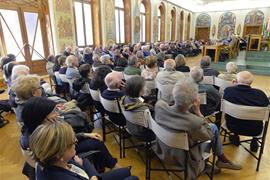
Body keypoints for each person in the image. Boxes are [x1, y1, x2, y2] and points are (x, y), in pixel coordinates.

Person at [154, 78, 241, 179]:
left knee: (208, 129)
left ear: (174, 94)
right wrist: (198, 112)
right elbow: (210, 136)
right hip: (185, 156)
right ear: (194, 101)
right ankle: (220, 159)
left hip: (163, 149)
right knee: (213, 128)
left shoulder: (159, 106)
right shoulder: (195, 122)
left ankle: (220, 159)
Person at [20, 96, 121, 173]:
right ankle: (112, 166)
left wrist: (85, 135)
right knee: (96, 143)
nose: (57, 114)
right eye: (54, 111)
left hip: (63, 151)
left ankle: (110, 165)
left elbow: (63, 140)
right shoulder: (38, 138)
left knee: (95, 141)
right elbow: (60, 151)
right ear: (43, 116)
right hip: (63, 158)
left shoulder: (36, 129)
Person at [29, 120, 138, 180]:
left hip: (86, 174)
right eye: (72, 142)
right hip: (87, 176)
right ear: (59, 154)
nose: (76, 141)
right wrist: (93, 176)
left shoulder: (46, 161)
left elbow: (81, 161)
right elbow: (82, 163)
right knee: (132, 178)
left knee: (126, 171)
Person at [223, 71, 269, 152]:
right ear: (251, 82)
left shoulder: (228, 91)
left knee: (236, 115)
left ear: (236, 80)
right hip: (254, 129)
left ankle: (235, 136)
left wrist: (233, 86)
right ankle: (254, 140)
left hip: (232, 126)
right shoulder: (260, 94)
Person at [122, 76, 155, 141]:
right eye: (144, 86)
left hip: (130, 126)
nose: (146, 88)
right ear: (138, 91)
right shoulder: (144, 109)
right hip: (143, 134)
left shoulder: (124, 99)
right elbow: (151, 125)